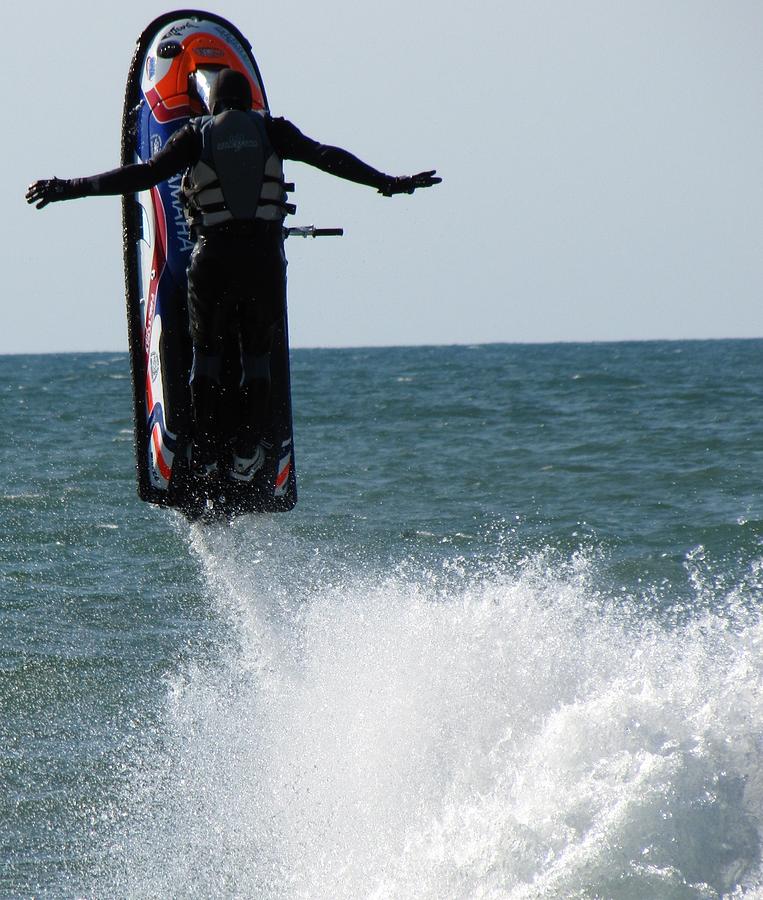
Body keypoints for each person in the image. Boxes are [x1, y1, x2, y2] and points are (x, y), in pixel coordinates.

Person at [26, 68, 440, 481]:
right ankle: (245, 456)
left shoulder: (195, 134)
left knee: (205, 358)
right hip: (263, 262)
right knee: (256, 358)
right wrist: (388, 182)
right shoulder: (274, 130)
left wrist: (68, 187)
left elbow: (143, 174)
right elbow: (328, 156)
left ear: (214, 104)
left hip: (214, 260)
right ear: (250, 103)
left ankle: (204, 455)